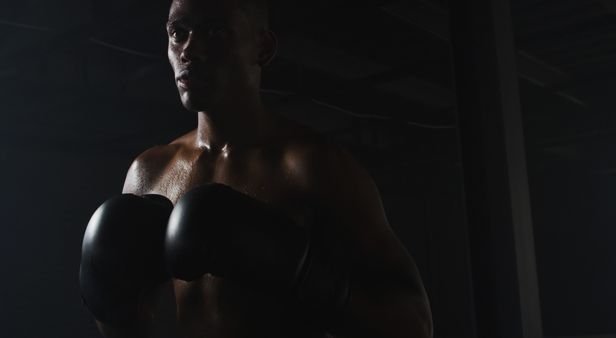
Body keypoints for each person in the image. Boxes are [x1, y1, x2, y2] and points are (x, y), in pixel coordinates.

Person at [80, 0, 433, 337]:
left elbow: (414, 325)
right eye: (178, 32)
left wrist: (302, 273)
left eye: (215, 32)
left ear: (262, 48)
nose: (188, 50)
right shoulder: (149, 172)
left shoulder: (313, 168)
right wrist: (110, 303)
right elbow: (128, 326)